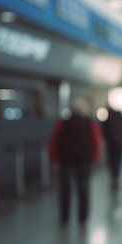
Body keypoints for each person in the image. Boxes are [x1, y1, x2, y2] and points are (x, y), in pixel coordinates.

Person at [48, 97, 101, 229]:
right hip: (84, 163)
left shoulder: (63, 123)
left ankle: (64, 220)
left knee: (65, 192)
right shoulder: (90, 124)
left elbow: (54, 142)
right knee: (83, 193)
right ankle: (82, 221)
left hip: (66, 162)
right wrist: (93, 160)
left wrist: (55, 160)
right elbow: (97, 143)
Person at [102, 107, 122, 190]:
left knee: (112, 160)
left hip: (111, 143)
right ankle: (116, 177)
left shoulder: (109, 119)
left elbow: (104, 131)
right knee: (118, 160)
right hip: (120, 143)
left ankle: (114, 177)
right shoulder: (121, 119)